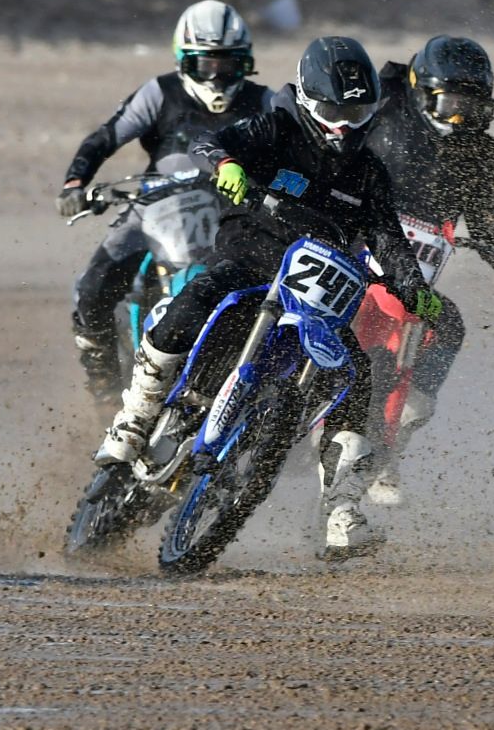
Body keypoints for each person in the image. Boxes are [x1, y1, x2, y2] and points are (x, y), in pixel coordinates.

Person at [94, 37, 432, 560]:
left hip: (317, 295)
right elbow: (212, 143)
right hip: (249, 262)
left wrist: (416, 291)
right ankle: (135, 418)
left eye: (357, 111)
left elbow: (390, 241)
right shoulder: (276, 128)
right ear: (306, 100)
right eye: (332, 110)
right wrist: (228, 164)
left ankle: (342, 511)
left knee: (357, 377)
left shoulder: (370, 174)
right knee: (195, 298)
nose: (344, 124)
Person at [58, 1, 271, 404]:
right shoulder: (159, 93)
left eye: (228, 66)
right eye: (204, 66)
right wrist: (75, 183)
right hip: (153, 209)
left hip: (232, 213)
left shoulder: (265, 102)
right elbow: (105, 137)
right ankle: (102, 382)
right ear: (182, 61)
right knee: (93, 287)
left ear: (247, 64)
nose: (217, 77)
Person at [362, 36, 494, 505]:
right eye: (453, 103)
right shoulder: (377, 107)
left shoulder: (485, 156)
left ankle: (389, 447)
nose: (463, 117)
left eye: (475, 107)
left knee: (449, 326)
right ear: (421, 91)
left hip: (414, 287)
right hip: (348, 253)